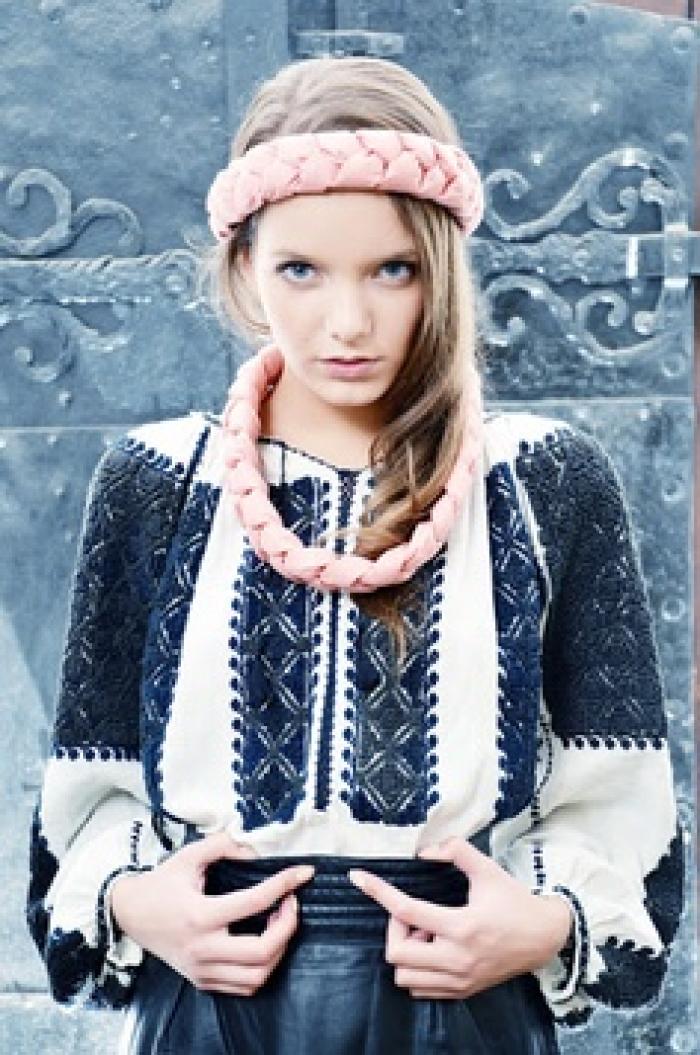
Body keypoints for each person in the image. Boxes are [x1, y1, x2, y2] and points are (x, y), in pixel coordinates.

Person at [25, 55, 684, 1054]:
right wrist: (136, 902)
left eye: (393, 269)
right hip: (209, 1008)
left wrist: (545, 922)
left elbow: (617, 791)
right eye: (302, 268)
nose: (348, 322)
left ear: (442, 269)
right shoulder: (157, 482)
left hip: (461, 1006)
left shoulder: (544, 479)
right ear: (245, 265)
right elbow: (93, 781)